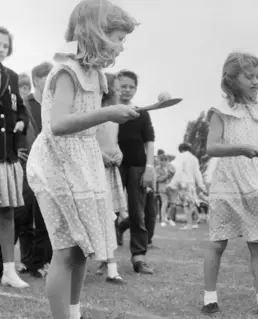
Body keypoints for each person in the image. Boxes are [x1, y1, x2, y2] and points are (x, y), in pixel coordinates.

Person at [25, 1, 139, 318]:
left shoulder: (97, 76)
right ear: (94, 34)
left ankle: (74, 313)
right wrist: (108, 112)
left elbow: (88, 125)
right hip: (57, 168)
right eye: (117, 38)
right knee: (65, 249)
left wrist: (107, 140)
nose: (120, 47)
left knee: (82, 249)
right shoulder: (66, 72)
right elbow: (59, 125)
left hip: (83, 165)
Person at [202, 52, 258, 318]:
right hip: (227, 184)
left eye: (256, 76)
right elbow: (212, 147)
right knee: (218, 243)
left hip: (253, 183)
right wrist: (240, 149)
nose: (254, 81)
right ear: (231, 79)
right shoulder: (221, 112)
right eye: (247, 76)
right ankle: (209, 298)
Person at [115, 70, 164, 273]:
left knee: (138, 213)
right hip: (113, 165)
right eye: (123, 86)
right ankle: (105, 259)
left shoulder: (142, 112)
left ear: (135, 89)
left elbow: (150, 141)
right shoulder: (109, 110)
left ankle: (139, 257)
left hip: (137, 166)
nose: (127, 90)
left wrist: (149, 168)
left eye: (131, 87)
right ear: (116, 86)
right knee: (109, 212)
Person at [13, 62, 54, 278]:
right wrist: (15, 150)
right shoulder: (25, 103)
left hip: (48, 167)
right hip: (26, 166)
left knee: (45, 216)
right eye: (48, 76)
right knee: (21, 215)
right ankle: (12, 261)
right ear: (37, 79)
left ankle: (37, 262)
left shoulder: (54, 103)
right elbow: (16, 128)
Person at [0, 26, 30, 288]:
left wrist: (20, 124)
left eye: (5, 46)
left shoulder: (11, 76)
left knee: (7, 212)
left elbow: (21, 111)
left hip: (4, 154)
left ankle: (8, 271)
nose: (1, 49)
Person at [94, 73, 127, 284]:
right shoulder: (96, 113)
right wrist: (101, 155)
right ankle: (105, 263)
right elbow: (88, 140)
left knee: (109, 218)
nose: (119, 92)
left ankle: (111, 267)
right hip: (95, 169)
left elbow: (113, 142)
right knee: (99, 218)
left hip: (110, 170)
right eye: (115, 88)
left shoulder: (115, 117)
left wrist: (118, 153)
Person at [167, 142, 206, 230]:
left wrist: (172, 184)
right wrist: (201, 185)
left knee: (186, 205)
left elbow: (178, 171)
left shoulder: (181, 157)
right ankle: (194, 222)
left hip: (183, 183)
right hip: (191, 183)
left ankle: (189, 225)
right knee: (192, 203)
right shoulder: (194, 158)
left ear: (180, 150)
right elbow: (197, 173)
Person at [155, 151, 176, 227]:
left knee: (173, 204)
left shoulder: (171, 166)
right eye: (161, 160)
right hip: (163, 188)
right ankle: (163, 220)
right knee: (164, 203)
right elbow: (158, 179)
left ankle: (169, 218)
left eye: (164, 160)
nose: (163, 162)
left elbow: (175, 175)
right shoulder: (157, 168)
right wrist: (166, 176)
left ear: (166, 160)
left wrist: (171, 174)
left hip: (172, 187)